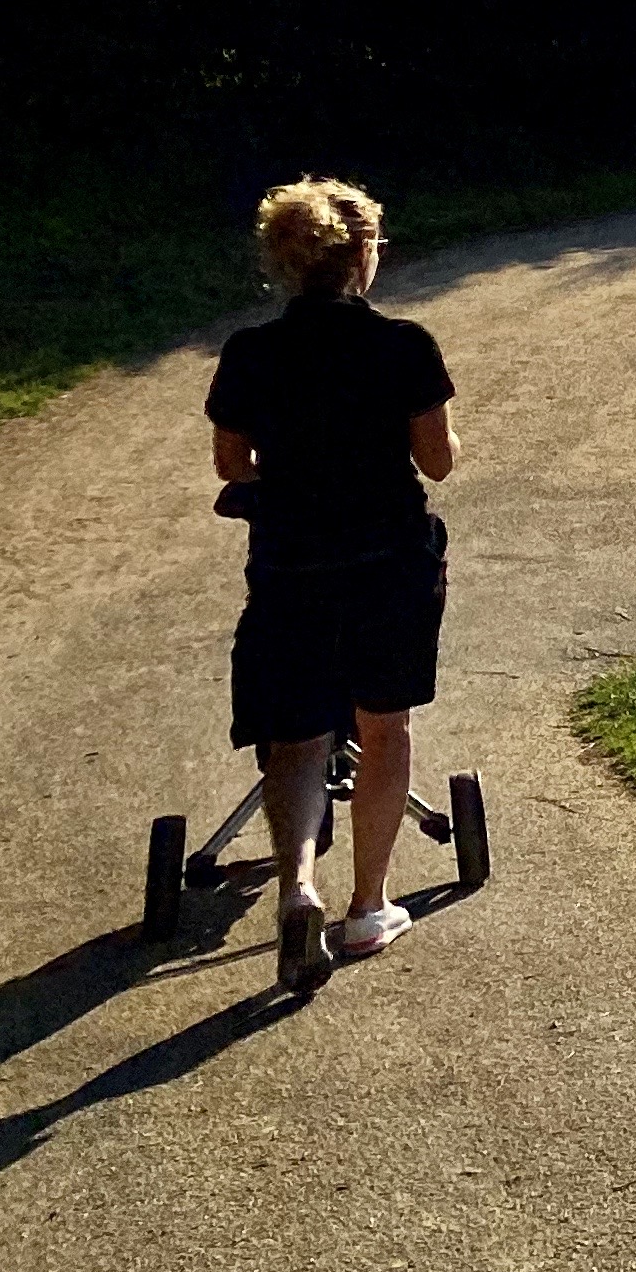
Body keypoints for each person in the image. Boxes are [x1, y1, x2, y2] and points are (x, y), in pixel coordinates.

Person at [208, 178, 457, 988]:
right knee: (384, 726)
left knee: (298, 734)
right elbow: (437, 461)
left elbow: (231, 462)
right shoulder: (404, 346)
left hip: (291, 563)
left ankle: (297, 887)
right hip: (387, 561)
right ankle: (368, 907)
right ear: (360, 256)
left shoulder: (250, 353)